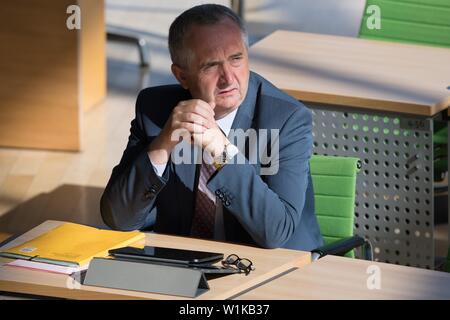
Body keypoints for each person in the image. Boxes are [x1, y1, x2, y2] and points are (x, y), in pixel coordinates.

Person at [100, 4, 323, 251]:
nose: (228, 77)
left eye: (236, 59)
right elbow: (118, 218)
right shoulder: (156, 109)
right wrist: (162, 144)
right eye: (211, 66)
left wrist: (222, 151)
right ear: (182, 76)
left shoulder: (286, 119)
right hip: (183, 268)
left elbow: (275, 232)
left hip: (271, 269)